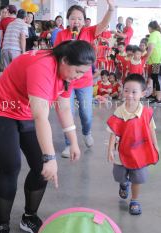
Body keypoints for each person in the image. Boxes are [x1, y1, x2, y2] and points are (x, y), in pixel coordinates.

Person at [0, 40, 95, 233]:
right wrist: (50, 157)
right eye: (77, 71)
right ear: (65, 60)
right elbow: (41, 116)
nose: (78, 77)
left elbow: (64, 106)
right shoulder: (43, 67)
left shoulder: (67, 73)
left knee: (40, 167)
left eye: (83, 73)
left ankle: (29, 216)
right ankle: (2, 223)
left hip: (26, 110)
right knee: (10, 167)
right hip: (1, 111)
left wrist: (74, 141)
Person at [54, 0, 115, 157]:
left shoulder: (89, 32)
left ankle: (86, 132)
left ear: (84, 20)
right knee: (68, 113)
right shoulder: (61, 34)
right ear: (68, 19)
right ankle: (69, 144)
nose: (76, 21)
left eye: (80, 18)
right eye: (73, 18)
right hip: (66, 81)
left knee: (86, 113)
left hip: (84, 82)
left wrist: (111, 9)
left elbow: (103, 24)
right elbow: (56, 56)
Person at [107, 74, 159, 215]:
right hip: (121, 152)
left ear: (143, 93)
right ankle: (124, 183)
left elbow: (151, 130)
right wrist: (110, 150)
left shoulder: (147, 113)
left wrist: (155, 145)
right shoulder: (119, 112)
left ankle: (134, 200)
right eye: (126, 90)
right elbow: (114, 131)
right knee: (118, 175)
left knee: (138, 177)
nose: (129, 95)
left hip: (140, 152)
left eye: (134, 92)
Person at [145, 21, 161, 103]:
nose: (148, 30)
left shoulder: (154, 34)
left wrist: (146, 58)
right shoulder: (160, 35)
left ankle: (158, 98)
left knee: (157, 78)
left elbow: (151, 47)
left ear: (150, 27)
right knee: (155, 78)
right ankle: (155, 95)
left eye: (148, 28)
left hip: (158, 61)